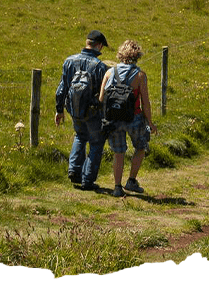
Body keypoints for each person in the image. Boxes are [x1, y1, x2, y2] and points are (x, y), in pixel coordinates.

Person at [98, 39, 157, 197]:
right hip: (134, 118)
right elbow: (146, 103)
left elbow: (101, 98)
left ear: (120, 54)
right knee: (141, 147)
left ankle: (117, 187)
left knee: (119, 152)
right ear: (137, 55)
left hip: (113, 119)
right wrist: (149, 122)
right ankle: (131, 180)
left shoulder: (109, 72)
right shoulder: (140, 75)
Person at [54, 30, 111, 191]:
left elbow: (61, 89)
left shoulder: (69, 61)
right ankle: (87, 180)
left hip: (74, 109)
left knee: (80, 136)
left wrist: (59, 110)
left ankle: (74, 170)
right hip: (93, 112)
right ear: (99, 46)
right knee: (96, 143)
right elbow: (104, 94)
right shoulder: (101, 67)